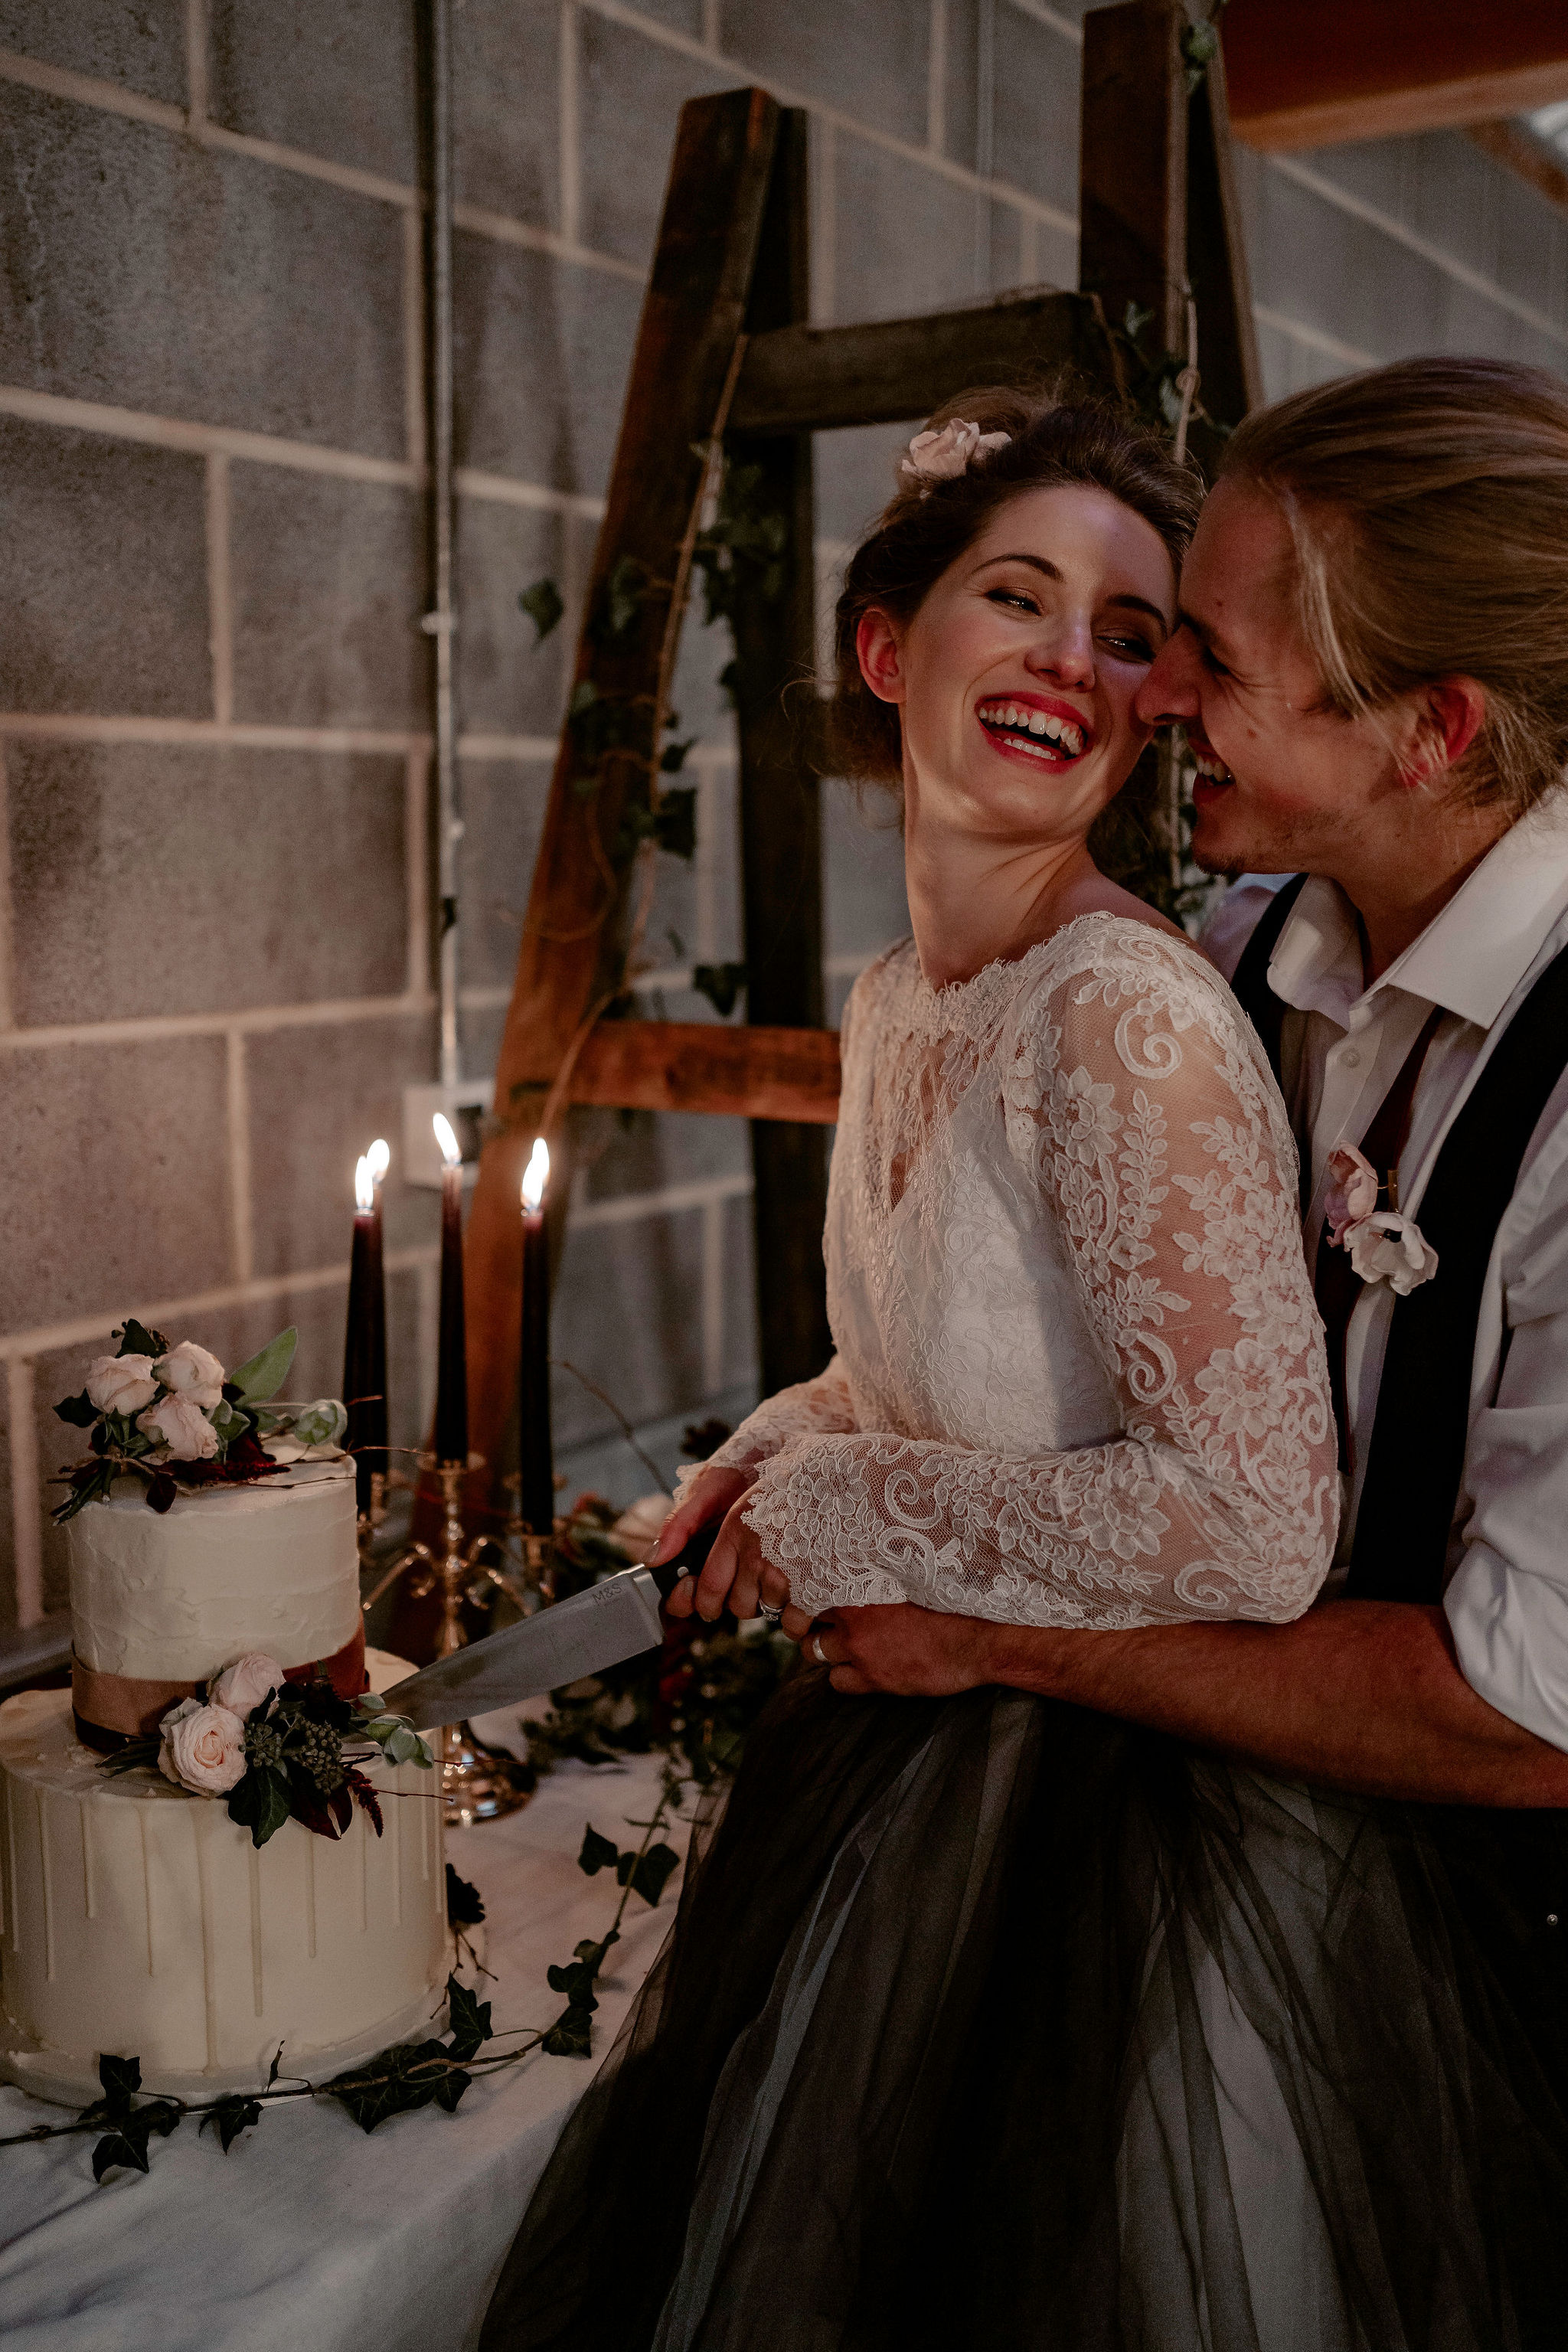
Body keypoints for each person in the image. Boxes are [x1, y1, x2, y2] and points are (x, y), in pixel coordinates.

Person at [482, 388, 1347, 2352]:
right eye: (1017, 596)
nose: (1070, 655)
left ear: (1156, 712)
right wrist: (768, 1451)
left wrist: (836, 1503)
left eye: (1129, 633)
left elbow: (1255, 1522)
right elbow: (923, 1375)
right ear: (889, 650)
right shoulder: (905, 998)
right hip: (904, 1754)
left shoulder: (1124, 1015)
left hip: (1102, 1829)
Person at [736, 358, 1568, 2346]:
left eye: (1200, 649)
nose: (1149, 694)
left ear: (1434, 729)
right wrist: (790, 1447)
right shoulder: (1279, 957)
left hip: (1495, 1968)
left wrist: (977, 1609)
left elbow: (1527, 1705)